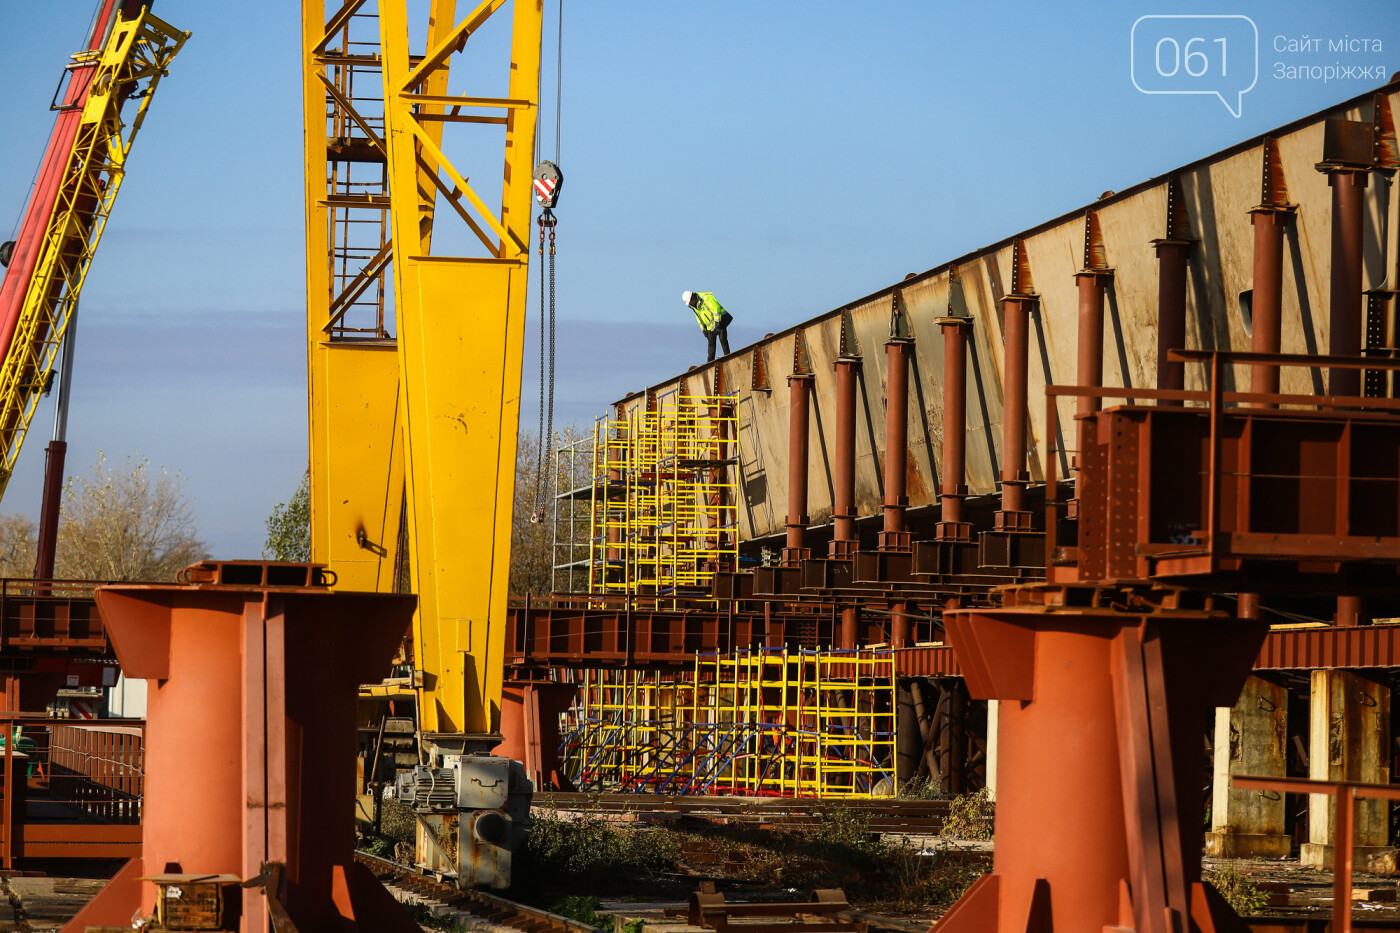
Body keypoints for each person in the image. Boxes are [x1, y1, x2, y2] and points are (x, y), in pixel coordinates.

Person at [682, 291, 733, 362]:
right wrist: (704, 330)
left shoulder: (706, 297)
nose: (690, 304)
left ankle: (728, 357)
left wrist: (718, 323)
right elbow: (699, 318)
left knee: (723, 339)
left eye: (690, 302)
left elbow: (716, 308)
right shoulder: (694, 306)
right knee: (711, 344)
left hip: (719, 320)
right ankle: (710, 363)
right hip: (710, 326)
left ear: (692, 298)